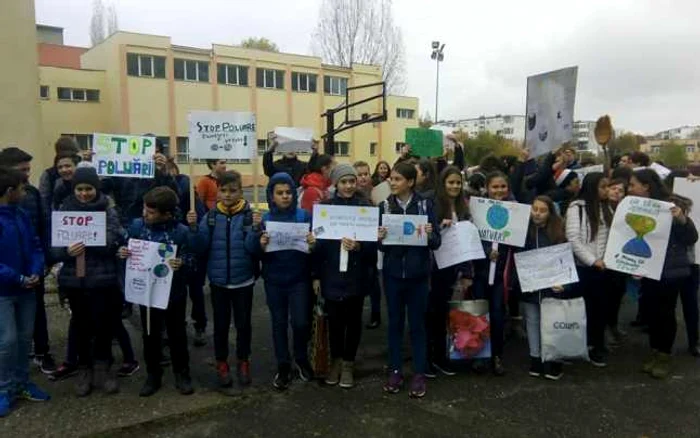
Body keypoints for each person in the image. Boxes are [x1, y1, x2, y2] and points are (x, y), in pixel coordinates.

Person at [117, 187, 204, 397]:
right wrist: (122, 252)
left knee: (177, 335)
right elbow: (124, 246)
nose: (145, 214)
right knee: (150, 335)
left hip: (173, 293)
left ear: (167, 213)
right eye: (145, 209)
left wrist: (182, 262)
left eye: (151, 212)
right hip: (145, 293)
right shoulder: (138, 226)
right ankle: (153, 374)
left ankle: (182, 373)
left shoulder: (181, 232)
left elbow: (194, 260)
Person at [50, 167, 123, 397]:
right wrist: (66, 250)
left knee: (104, 325)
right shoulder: (64, 209)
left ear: (96, 188)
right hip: (75, 281)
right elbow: (55, 248)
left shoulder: (108, 209)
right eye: (80, 189)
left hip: (103, 278)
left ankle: (103, 367)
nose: (84, 194)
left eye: (88, 189)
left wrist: (90, 240)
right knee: (81, 325)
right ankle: (84, 368)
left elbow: (112, 240)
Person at [378, 162, 441, 398]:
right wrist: (380, 238)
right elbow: (380, 246)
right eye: (391, 179)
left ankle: (418, 374)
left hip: (417, 277)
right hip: (393, 275)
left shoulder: (425, 204)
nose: (392, 183)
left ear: (411, 182)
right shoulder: (384, 205)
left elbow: (436, 243)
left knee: (417, 326)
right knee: (394, 325)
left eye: (397, 179)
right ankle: (395, 371)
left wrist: (429, 233)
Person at [628, 170, 698, 378]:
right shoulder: (633, 206)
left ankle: (665, 355)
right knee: (650, 312)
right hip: (648, 270)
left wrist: (681, 218)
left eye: (633, 185)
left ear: (646, 186)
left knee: (665, 313)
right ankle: (655, 351)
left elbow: (691, 237)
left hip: (670, 271)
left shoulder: (672, 205)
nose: (629, 189)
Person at [250, 172, 316, 390]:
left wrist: (313, 243)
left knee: (300, 322)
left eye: (289, 192)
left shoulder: (304, 216)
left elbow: (316, 248)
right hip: (274, 280)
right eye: (280, 193)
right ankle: (283, 364)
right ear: (272, 195)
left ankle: (300, 357)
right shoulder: (266, 219)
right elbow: (252, 250)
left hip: (299, 279)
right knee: (278, 323)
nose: (285, 196)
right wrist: (259, 241)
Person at [312, 164, 376, 389]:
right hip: (331, 274)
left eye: (352, 181)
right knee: (335, 322)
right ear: (335, 184)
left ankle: (349, 363)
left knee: (354, 320)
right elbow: (318, 248)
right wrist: (316, 273)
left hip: (356, 274)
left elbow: (373, 248)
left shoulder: (365, 207)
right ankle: (336, 361)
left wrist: (359, 246)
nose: (349, 186)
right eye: (344, 182)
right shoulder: (325, 208)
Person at [0, 166, 51, 417]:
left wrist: (35, 271)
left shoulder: (21, 215)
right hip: (4, 292)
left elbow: (35, 245)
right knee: (6, 342)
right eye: (21, 188)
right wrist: (18, 278)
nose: (25, 192)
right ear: (10, 191)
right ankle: (4, 389)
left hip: (27, 289)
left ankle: (22, 383)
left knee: (23, 339)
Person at [199, 171, 257, 389]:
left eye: (233, 190)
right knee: (221, 326)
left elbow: (253, 249)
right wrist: (194, 229)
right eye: (223, 190)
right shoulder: (211, 217)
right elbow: (200, 247)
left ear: (241, 191)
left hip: (243, 281)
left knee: (243, 325)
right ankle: (221, 362)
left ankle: (243, 361)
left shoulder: (250, 216)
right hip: (219, 282)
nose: (228, 195)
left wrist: (255, 230)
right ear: (218, 192)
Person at [426, 166, 472, 378]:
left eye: (458, 183)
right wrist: (438, 225)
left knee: (445, 312)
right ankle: (430, 358)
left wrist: (466, 272)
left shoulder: (464, 207)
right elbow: (427, 231)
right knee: (432, 312)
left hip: (453, 266)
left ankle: (441, 356)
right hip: (434, 266)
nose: (454, 186)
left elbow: (467, 240)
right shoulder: (433, 203)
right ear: (443, 184)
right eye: (451, 182)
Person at [518, 196, 569, 380]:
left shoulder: (557, 233)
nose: (537, 214)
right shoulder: (524, 232)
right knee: (532, 320)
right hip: (531, 286)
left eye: (543, 210)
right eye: (534, 209)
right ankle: (535, 358)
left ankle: (552, 359)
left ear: (550, 213)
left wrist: (563, 282)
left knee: (551, 322)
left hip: (552, 287)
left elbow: (565, 260)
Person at [565, 172, 613, 367]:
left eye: (608, 186)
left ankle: (596, 345)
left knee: (600, 310)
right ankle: (577, 346)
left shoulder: (607, 207)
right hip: (584, 269)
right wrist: (593, 261)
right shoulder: (577, 208)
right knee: (581, 310)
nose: (607, 190)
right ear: (593, 187)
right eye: (603, 187)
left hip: (603, 268)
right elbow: (573, 239)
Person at [472, 171, 515, 376]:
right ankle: (479, 355)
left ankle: (497, 355)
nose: (499, 191)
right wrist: (486, 250)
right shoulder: (478, 210)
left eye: (503, 187)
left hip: (500, 276)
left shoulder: (515, 211)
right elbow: (471, 237)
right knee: (480, 314)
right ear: (487, 188)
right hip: (480, 273)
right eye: (495, 187)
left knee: (498, 316)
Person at [167, 159, 208, 347]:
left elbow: (199, 219)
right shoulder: (155, 187)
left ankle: (199, 325)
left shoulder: (185, 186)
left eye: (168, 170)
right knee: (176, 292)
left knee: (195, 290)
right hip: (173, 250)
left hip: (192, 249)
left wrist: (192, 224)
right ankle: (178, 325)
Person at [353, 161, 381, 328]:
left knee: (373, 280)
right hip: (354, 242)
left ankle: (376, 313)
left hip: (371, 244)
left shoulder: (377, 193)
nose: (363, 177)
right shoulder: (351, 195)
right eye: (360, 174)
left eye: (366, 174)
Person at [605, 178, 629, 347]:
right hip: (603, 260)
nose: (616, 192)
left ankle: (613, 324)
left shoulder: (627, 210)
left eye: (621, 190)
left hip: (621, 261)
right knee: (604, 297)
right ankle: (605, 329)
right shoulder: (600, 208)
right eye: (613, 188)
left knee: (617, 295)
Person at [38, 136, 81, 215]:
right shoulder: (50, 175)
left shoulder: (83, 171)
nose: (64, 170)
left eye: (68, 166)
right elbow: (44, 201)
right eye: (60, 167)